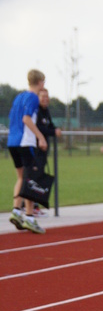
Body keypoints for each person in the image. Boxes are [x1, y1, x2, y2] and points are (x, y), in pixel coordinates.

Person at [8, 69, 48, 234]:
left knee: (21, 177)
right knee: (30, 179)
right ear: (40, 82)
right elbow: (26, 119)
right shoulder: (32, 97)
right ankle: (30, 217)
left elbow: (13, 117)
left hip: (13, 141)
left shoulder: (19, 97)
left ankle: (17, 211)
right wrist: (40, 137)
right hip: (25, 142)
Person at [33, 87, 62, 217]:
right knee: (33, 177)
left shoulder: (46, 111)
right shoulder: (36, 111)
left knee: (39, 176)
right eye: (42, 97)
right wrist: (52, 132)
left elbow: (49, 125)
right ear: (38, 98)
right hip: (35, 149)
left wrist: (56, 129)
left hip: (44, 150)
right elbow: (39, 128)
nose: (45, 99)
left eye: (47, 97)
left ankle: (33, 205)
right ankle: (31, 206)